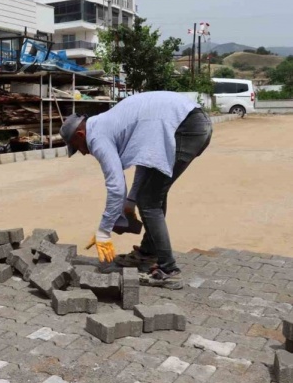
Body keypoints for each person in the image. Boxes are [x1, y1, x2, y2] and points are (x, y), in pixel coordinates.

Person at [59, 91, 213, 290]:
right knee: (152, 195)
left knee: (149, 201)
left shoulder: (97, 136)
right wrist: (130, 204)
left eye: (77, 147)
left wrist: (104, 232)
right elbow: (146, 162)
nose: (82, 152)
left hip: (185, 127)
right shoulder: (110, 123)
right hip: (192, 123)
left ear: (80, 135)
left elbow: (115, 186)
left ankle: (169, 271)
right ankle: (149, 253)